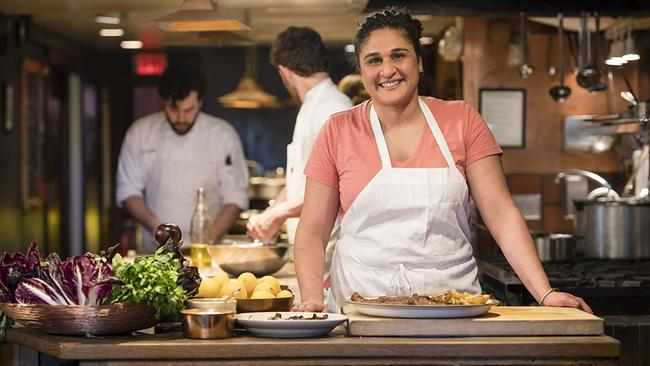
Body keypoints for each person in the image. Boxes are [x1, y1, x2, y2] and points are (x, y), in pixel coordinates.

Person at [292, 8, 592, 314]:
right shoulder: (338, 130)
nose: (388, 70)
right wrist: (313, 298)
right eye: (374, 60)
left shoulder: (461, 120)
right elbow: (313, 230)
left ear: (419, 62)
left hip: (452, 307)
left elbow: (500, 214)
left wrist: (545, 293)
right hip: (358, 308)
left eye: (399, 55)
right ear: (362, 69)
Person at [116, 63, 248, 252]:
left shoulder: (223, 135)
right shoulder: (140, 133)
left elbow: (235, 196)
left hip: (209, 250)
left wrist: (206, 242)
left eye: (188, 110)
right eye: (173, 109)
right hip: (155, 250)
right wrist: (158, 231)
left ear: (200, 102)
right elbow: (128, 191)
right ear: (162, 101)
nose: (180, 118)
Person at [247, 27, 352, 250]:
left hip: (328, 251)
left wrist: (278, 213)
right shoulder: (313, 106)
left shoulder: (332, 107)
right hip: (310, 247)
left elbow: (336, 188)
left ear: (285, 72)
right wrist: (271, 212)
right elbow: (301, 180)